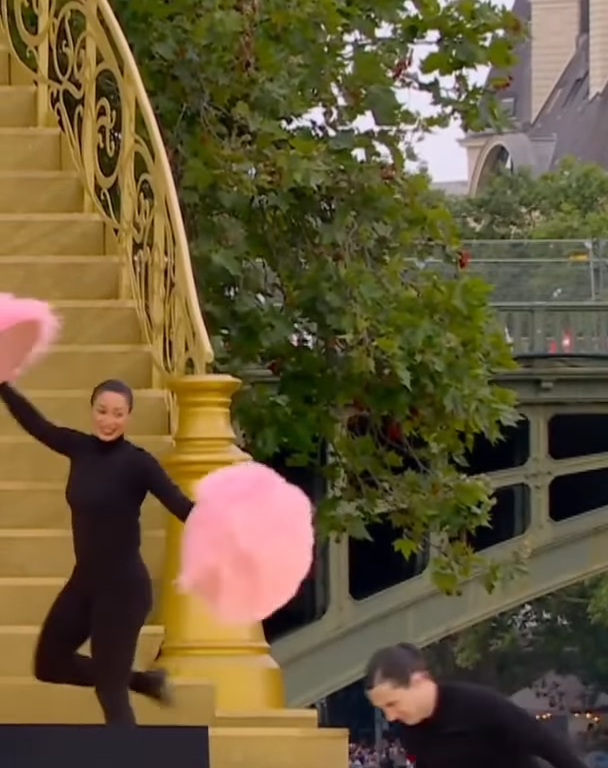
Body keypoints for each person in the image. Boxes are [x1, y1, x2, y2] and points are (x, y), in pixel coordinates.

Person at [0, 379, 194, 725]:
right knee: (49, 664)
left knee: (109, 691)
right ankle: (141, 680)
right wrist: (3, 386)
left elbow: (182, 507)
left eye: (118, 414)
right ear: (92, 411)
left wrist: (229, 520)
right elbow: (38, 425)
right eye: (102, 411)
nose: (109, 420)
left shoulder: (138, 463)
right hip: (85, 583)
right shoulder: (80, 448)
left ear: (129, 417)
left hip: (124, 590)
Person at [365, 643, 587, 768]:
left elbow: (546, 744)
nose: (391, 716)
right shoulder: (410, 731)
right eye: (383, 709)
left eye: (392, 703)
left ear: (418, 681)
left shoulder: (479, 704)